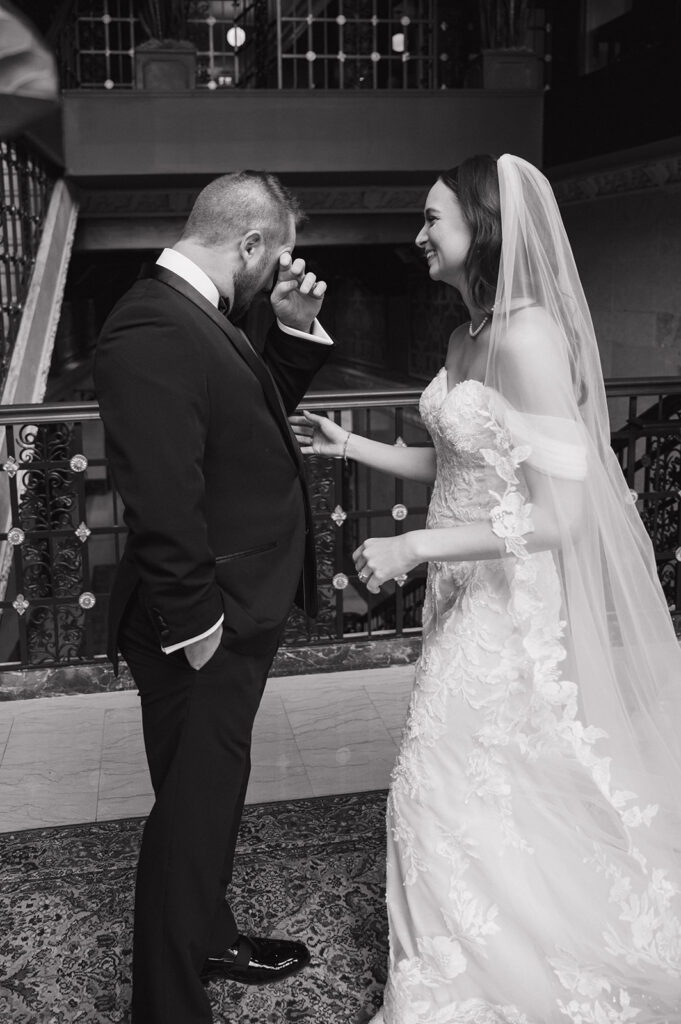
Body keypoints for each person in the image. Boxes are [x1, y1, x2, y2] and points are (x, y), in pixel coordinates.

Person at [292, 154, 681, 1023]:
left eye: (433, 219)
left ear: (483, 228)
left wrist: (417, 544)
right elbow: (459, 463)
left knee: (432, 781)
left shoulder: (527, 338)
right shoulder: (466, 333)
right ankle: (488, 951)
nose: (418, 235)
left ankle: (456, 988)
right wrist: (352, 446)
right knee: (490, 782)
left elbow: (562, 517)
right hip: (457, 592)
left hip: (506, 603)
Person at [94, 170, 332, 1024]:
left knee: (208, 798)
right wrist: (198, 626)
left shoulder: (198, 316)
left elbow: (245, 427)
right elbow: (160, 492)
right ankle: (166, 1006)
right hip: (204, 620)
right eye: (277, 259)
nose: (277, 276)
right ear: (251, 244)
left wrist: (291, 332)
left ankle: (209, 937)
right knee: (191, 816)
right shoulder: (152, 325)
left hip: (230, 608)